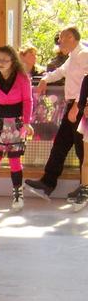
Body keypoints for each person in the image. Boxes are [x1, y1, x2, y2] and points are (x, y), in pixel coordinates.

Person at [25, 26, 88, 200]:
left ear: (71, 37)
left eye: (62, 38)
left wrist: (78, 106)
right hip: (73, 107)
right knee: (61, 144)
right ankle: (47, 183)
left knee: (82, 148)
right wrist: (45, 79)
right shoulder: (73, 57)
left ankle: (85, 188)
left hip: (81, 108)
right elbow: (60, 72)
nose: (59, 42)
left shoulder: (84, 54)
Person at [0, 45, 33, 210]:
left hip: (17, 122)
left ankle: (18, 194)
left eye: (5, 60)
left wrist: (26, 121)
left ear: (13, 62)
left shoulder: (22, 78)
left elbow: (28, 100)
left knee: (14, 159)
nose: (1, 62)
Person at [69, 75, 88, 209]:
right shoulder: (86, 79)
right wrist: (85, 108)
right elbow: (81, 103)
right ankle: (85, 191)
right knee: (86, 160)